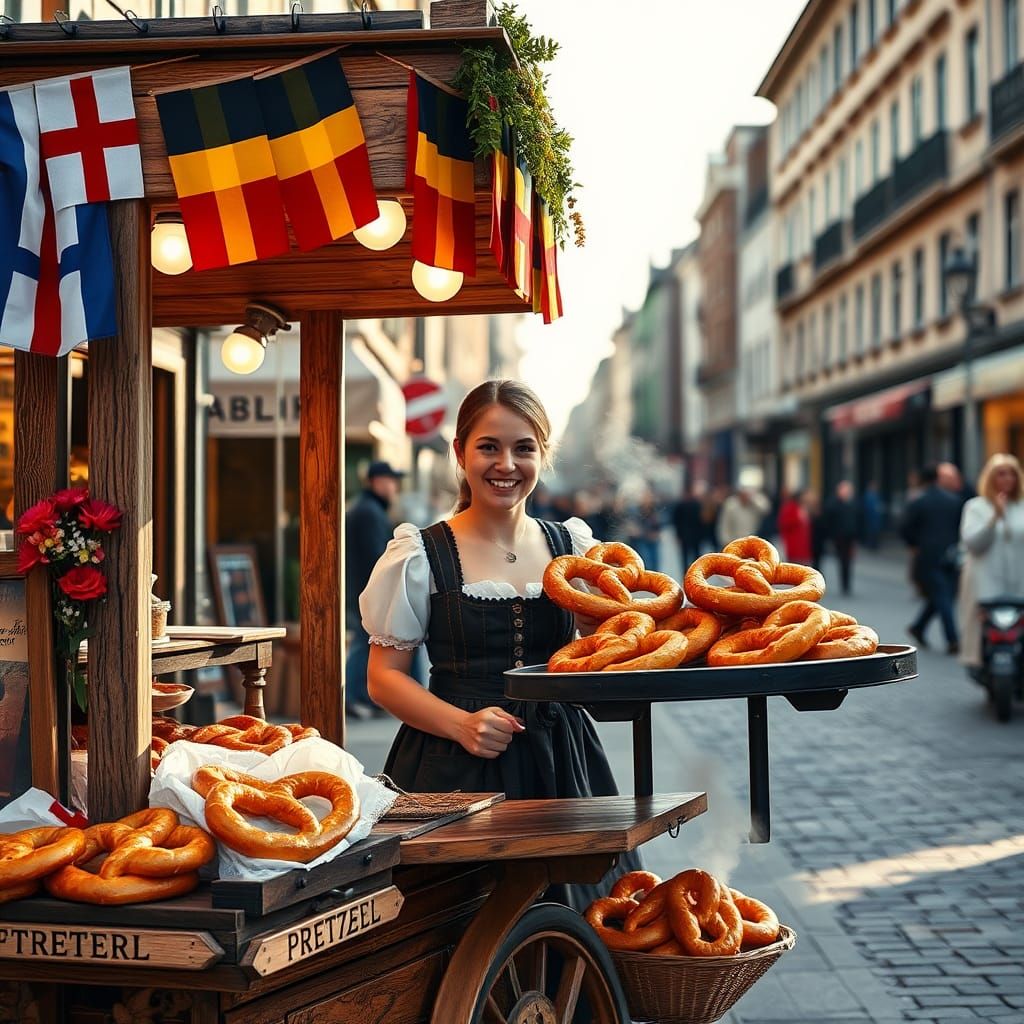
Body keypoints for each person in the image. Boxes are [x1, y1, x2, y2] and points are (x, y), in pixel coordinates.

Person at [360, 379, 639, 908]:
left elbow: (607, 648)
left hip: (562, 757)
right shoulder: (420, 555)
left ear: (543, 455)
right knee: (456, 921)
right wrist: (461, 724)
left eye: (523, 448)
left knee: (581, 911)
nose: (505, 464)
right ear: (460, 452)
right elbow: (384, 677)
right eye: (489, 446)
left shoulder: (574, 550)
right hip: (450, 764)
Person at [345, 460, 405, 720]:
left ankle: (357, 697)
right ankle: (353, 698)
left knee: (364, 643)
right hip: (365, 591)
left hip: (362, 589)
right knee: (362, 643)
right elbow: (376, 557)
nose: (394, 487)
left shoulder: (368, 508)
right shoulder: (369, 511)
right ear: (375, 482)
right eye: (389, 480)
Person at [957, 454, 1024, 671]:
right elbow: (974, 544)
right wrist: (994, 516)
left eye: (1012, 474)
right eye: (1001, 474)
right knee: (982, 632)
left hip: (1019, 584)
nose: (1007, 479)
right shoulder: (975, 507)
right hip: (985, 583)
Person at [899, 464, 963, 654]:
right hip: (952, 555)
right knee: (944, 595)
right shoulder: (954, 501)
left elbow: (905, 528)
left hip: (927, 557)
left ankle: (923, 628)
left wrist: (914, 545)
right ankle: (950, 637)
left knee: (940, 596)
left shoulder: (919, 502)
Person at [823, 480, 859, 595]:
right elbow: (829, 521)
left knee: (848, 561)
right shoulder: (833, 504)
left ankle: (847, 584)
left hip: (850, 537)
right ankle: (844, 584)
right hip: (839, 537)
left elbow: (858, 519)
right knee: (842, 560)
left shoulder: (852, 504)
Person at [672, 482, 704, 570]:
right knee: (695, 555)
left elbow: (676, 522)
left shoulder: (681, 504)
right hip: (695, 535)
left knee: (685, 556)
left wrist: (678, 535)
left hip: (685, 535)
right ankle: (696, 571)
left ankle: (686, 572)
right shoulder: (698, 504)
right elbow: (702, 521)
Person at [776, 489, 812, 564]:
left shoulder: (802, 508)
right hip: (793, 547)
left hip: (803, 548)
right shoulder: (790, 508)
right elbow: (784, 524)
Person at [861, 481, 883, 549]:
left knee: (875, 531)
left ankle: (874, 544)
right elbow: (866, 507)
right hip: (870, 518)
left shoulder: (877, 495)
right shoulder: (868, 496)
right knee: (870, 531)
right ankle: (870, 544)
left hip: (876, 518)